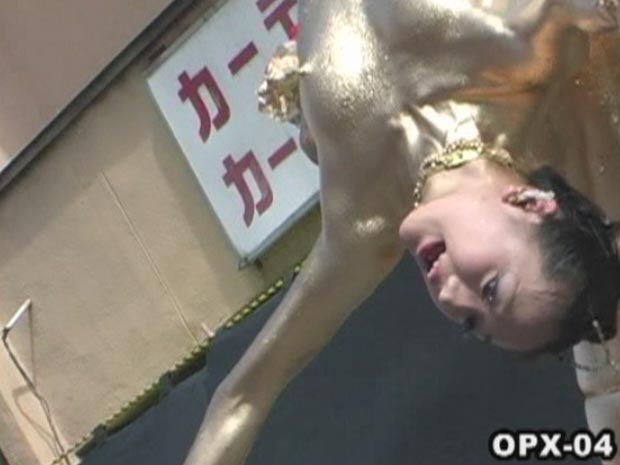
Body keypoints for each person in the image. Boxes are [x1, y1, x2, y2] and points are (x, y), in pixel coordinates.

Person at [184, 2, 620, 465]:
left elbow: (241, 398)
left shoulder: (361, 231)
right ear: (529, 203)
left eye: (471, 323)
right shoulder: (520, 44)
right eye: (490, 289)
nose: (452, 299)